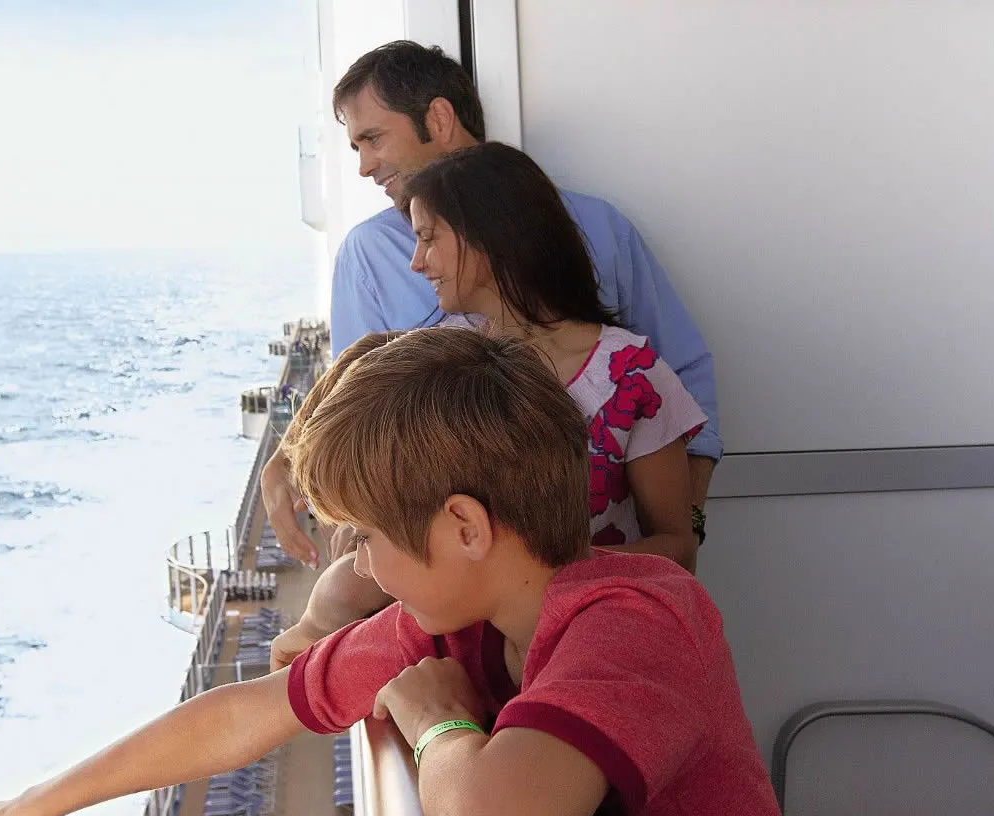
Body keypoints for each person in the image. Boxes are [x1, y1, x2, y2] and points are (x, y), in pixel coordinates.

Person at [0, 328, 787, 816]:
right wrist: (29, 808)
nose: (364, 569)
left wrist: (435, 720)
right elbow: (245, 712)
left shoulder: (640, 619)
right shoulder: (452, 620)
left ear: (464, 527)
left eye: (371, 539)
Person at [260, 41, 721, 570]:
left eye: (373, 138)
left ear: (438, 116)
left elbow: (680, 384)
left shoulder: (602, 231)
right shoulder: (368, 256)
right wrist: (293, 455)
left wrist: (682, 528)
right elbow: (363, 401)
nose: (365, 166)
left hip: (605, 598)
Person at [271, 142, 707, 668]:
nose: (416, 261)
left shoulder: (632, 376)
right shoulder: (440, 364)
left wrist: (546, 578)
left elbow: (677, 546)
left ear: (492, 237)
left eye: (430, 238)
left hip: (587, 653)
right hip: (463, 659)